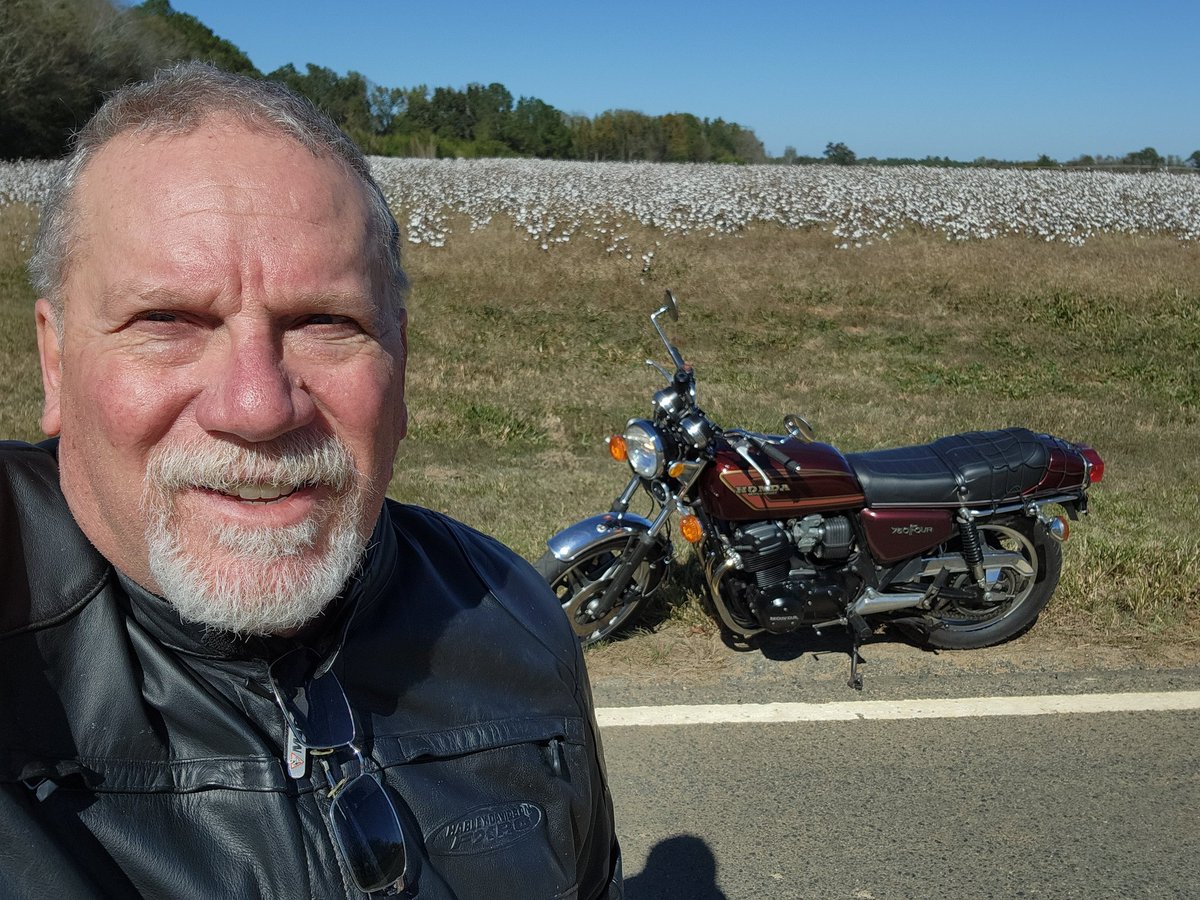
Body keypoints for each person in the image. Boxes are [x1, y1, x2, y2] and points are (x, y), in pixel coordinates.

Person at [0, 62, 622, 899]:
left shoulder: (514, 618)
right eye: (167, 321)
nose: (258, 407)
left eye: (326, 323)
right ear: (55, 358)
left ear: (400, 362)